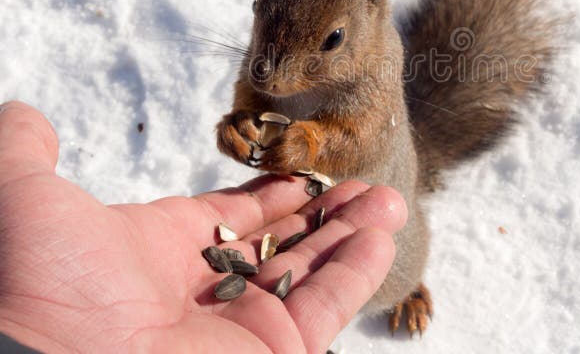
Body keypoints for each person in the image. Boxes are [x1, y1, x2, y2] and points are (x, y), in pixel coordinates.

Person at [0, 101, 407, 353]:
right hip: (310, 216)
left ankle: (410, 289)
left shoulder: (371, 88)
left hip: (356, 193)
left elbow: (364, 140)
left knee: (384, 236)